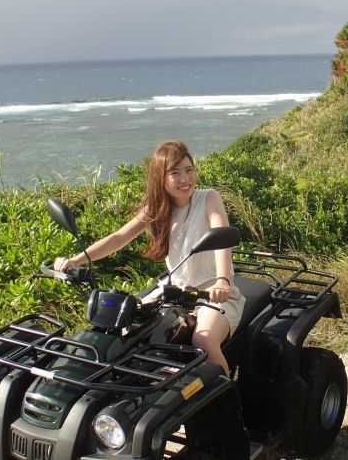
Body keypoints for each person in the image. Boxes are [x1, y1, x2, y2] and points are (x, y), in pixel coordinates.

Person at [55, 140, 244, 374]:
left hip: (213, 294)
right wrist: (75, 261)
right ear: (160, 178)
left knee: (203, 342)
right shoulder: (156, 209)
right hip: (173, 293)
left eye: (189, 170)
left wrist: (222, 280)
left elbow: (221, 237)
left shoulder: (208, 198)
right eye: (175, 173)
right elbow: (119, 238)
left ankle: (227, 400)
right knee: (124, 331)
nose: (185, 179)